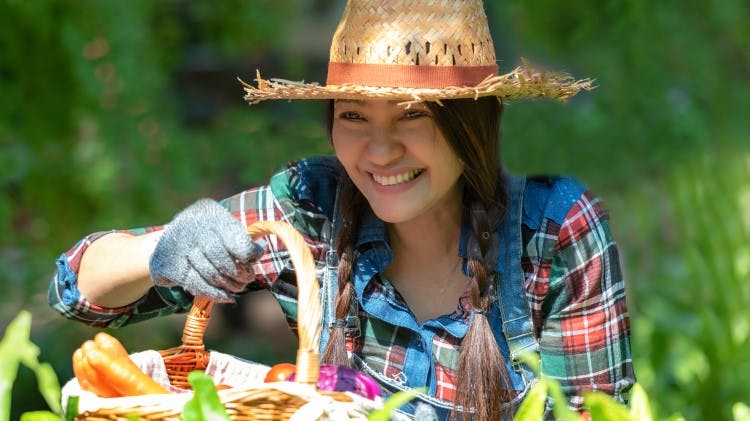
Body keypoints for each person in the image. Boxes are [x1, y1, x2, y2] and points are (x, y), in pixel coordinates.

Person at [48, 0, 635, 419]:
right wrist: (163, 250)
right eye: (353, 116)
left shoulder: (554, 233)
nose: (379, 152)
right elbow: (76, 286)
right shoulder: (311, 210)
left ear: (472, 124)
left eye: (412, 115)